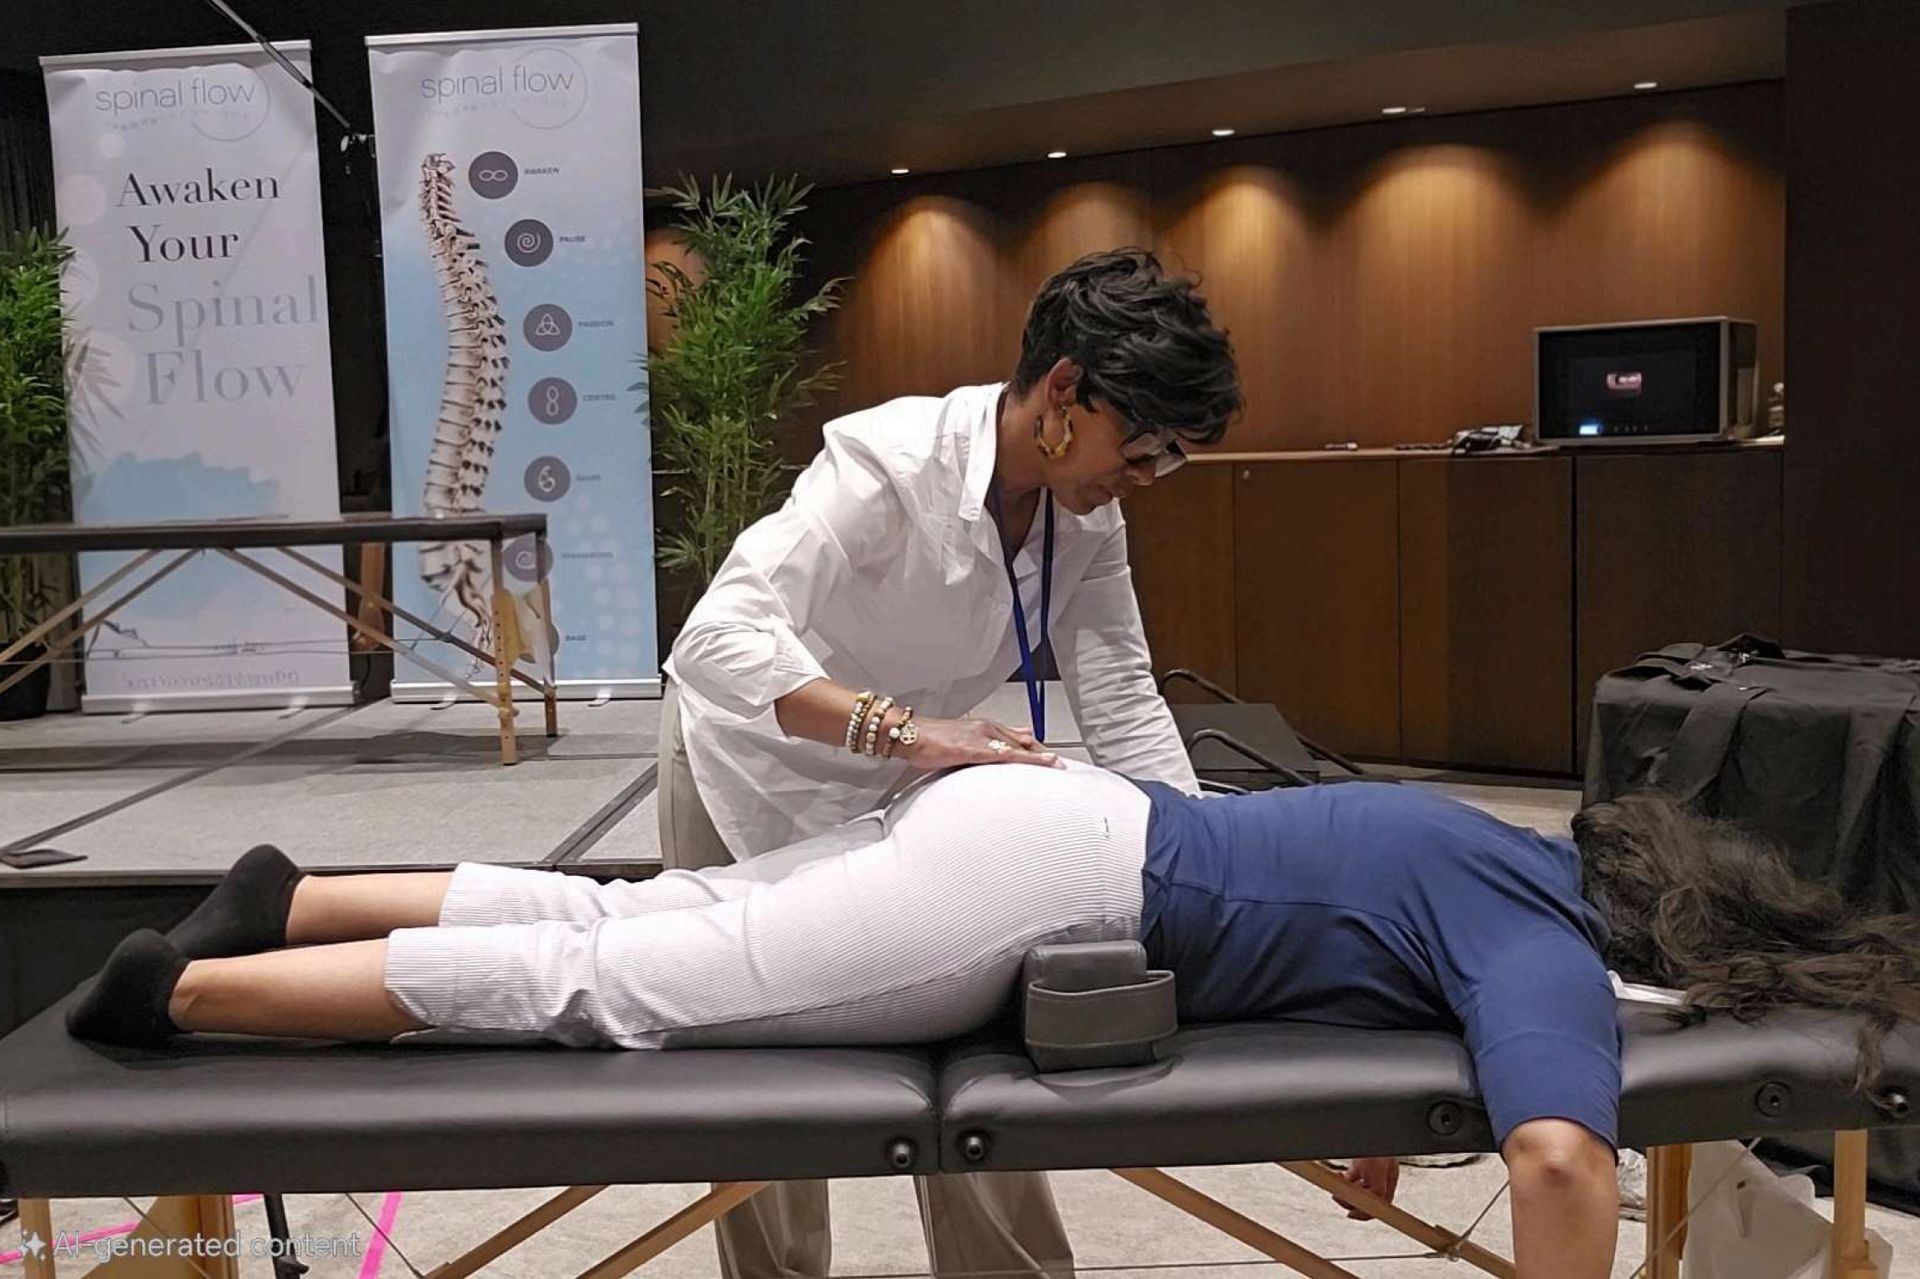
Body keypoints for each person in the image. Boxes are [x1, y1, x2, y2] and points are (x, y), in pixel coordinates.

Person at [69, 764, 1920, 1279]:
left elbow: (1397, 1011)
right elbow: (1553, 1148)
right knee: (624, 990)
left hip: (1046, 824)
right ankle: (193, 989)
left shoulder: (1469, 846)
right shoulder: (1532, 933)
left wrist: (1381, 1134)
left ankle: (289, 894)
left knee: (662, 912)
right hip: (1042, 890)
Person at [654, 245, 1241, 1279]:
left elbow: (1121, 694)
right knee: (755, 1061)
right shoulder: (886, 467)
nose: (1143, 479)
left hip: (903, 779)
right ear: (1065, 392)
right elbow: (717, 641)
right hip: (745, 761)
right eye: (1142, 448)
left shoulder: (1082, 512)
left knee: (976, 1037)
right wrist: (915, 733)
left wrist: (1217, 868)